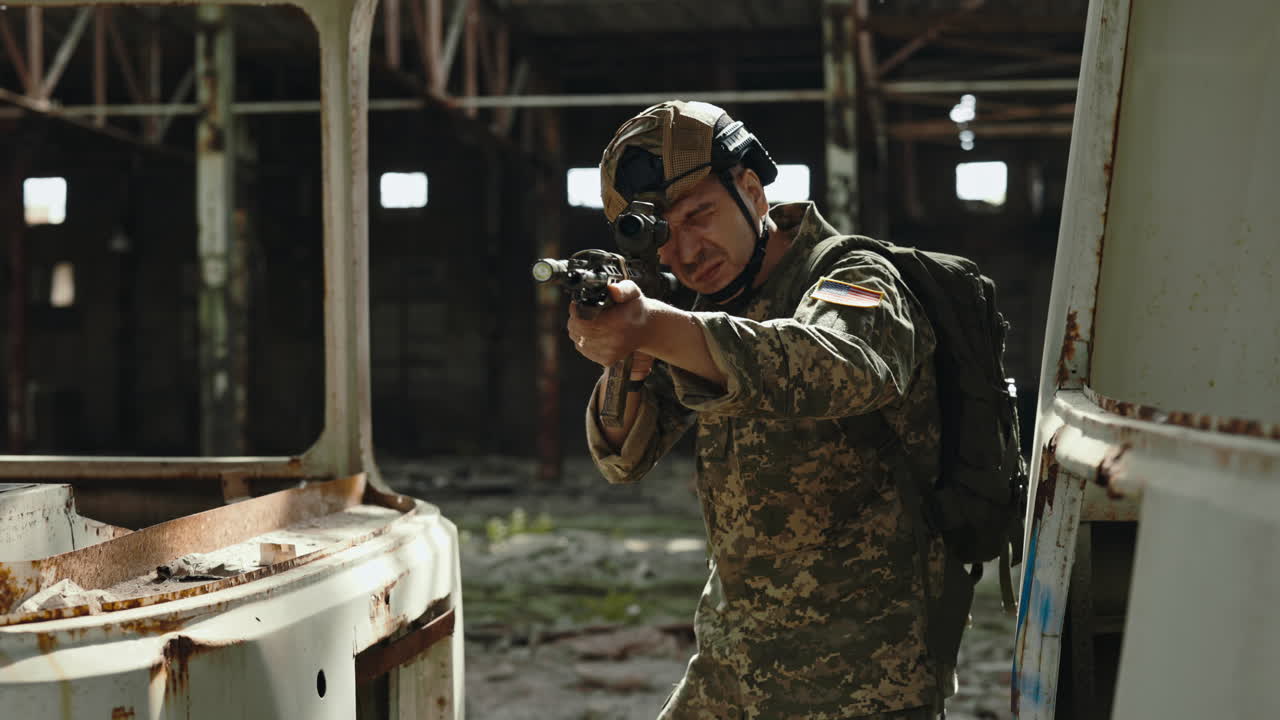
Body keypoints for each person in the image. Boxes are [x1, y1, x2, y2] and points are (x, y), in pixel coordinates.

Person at [567, 100, 951, 720]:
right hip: (735, 665)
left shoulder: (852, 274)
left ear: (753, 191)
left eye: (700, 215)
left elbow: (844, 365)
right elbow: (623, 457)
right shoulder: (704, 306)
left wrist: (657, 326)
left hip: (862, 680)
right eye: (667, 234)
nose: (688, 251)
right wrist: (625, 361)